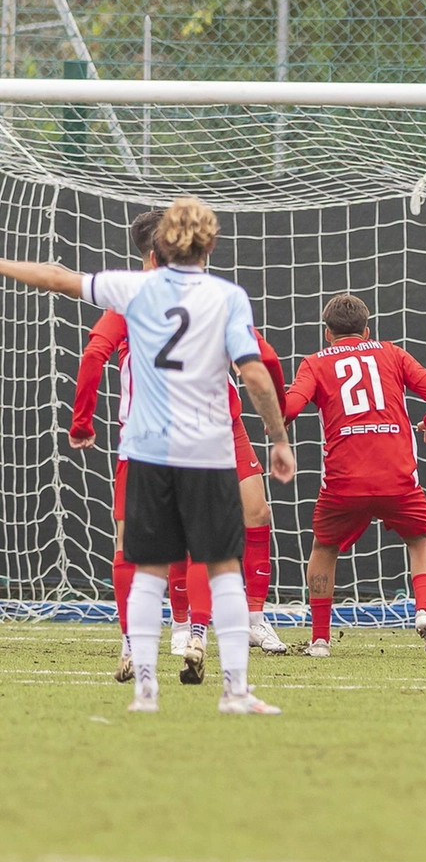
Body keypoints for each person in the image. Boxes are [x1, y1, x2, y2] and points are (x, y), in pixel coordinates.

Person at [1, 196, 294, 714]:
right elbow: (253, 371)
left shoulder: (131, 290)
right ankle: (235, 690)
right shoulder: (228, 297)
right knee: (224, 564)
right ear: (211, 242)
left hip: (146, 449)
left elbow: (54, 277)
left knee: (147, 566)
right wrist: (277, 436)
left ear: (157, 246)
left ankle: (145, 690)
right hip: (206, 449)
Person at [73, 210, 290, 684]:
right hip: (186, 434)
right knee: (188, 537)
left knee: (250, 514)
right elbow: (262, 361)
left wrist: (81, 420)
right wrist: (279, 422)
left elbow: (259, 357)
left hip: (189, 432)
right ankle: (184, 626)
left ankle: (236, 621)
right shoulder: (144, 296)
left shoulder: (170, 296)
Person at [285, 293, 426, 660]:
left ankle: (319, 640)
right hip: (397, 476)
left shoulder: (314, 363)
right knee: (422, 539)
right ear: (367, 330)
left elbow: (291, 408)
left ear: (327, 334)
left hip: (345, 481)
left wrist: (271, 408)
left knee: (324, 548)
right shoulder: (392, 353)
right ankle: (425, 610)